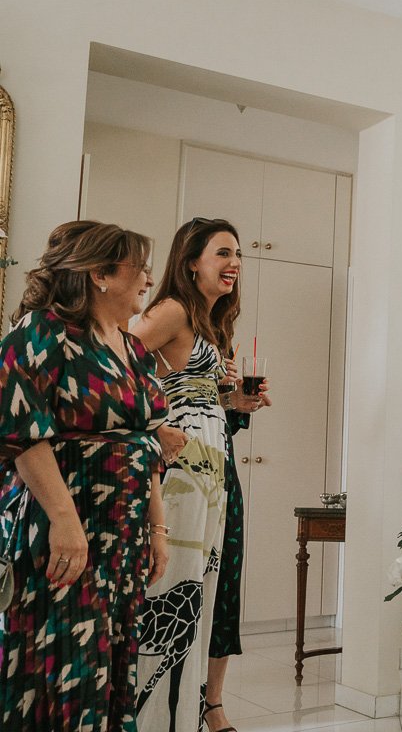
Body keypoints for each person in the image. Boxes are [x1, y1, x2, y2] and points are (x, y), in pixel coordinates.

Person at [0, 220, 176, 730]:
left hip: (122, 537)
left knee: (111, 664)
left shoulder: (132, 348)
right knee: (60, 664)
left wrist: (157, 531)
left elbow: (146, 443)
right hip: (63, 532)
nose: (148, 279)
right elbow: (19, 429)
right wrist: (65, 521)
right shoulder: (43, 331)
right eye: (139, 268)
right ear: (100, 273)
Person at [131, 219, 268, 732]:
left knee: (202, 593)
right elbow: (116, 360)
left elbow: (196, 396)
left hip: (213, 471)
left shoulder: (212, 324)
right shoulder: (171, 310)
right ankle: (150, 719)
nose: (234, 263)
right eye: (223, 253)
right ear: (191, 261)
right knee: (172, 590)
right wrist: (156, 423)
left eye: (238, 255)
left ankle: (185, 713)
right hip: (182, 478)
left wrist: (236, 400)